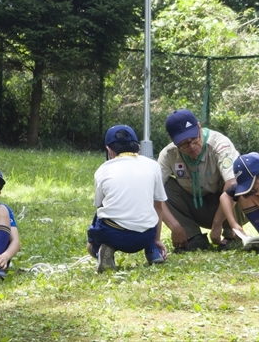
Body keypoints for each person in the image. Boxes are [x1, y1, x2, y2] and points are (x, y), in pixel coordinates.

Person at [157, 109, 246, 252]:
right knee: (163, 186)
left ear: (199, 127)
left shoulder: (219, 144)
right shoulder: (168, 154)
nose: (191, 146)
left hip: (228, 207)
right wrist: (175, 226)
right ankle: (192, 237)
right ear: (173, 141)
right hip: (197, 207)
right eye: (184, 144)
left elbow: (232, 184)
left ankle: (232, 235)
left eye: (194, 139)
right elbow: (154, 192)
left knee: (236, 182)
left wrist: (217, 225)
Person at [87, 124, 168, 273]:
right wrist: (156, 239)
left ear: (109, 150)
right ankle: (152, 250)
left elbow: (99, 205)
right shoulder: (153, 166)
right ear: (138, 149)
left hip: (113, 235)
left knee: (98, 218)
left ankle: (103, 250)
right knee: (148, 210)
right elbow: (158, 206)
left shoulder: (102, 170)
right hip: (146, 234)